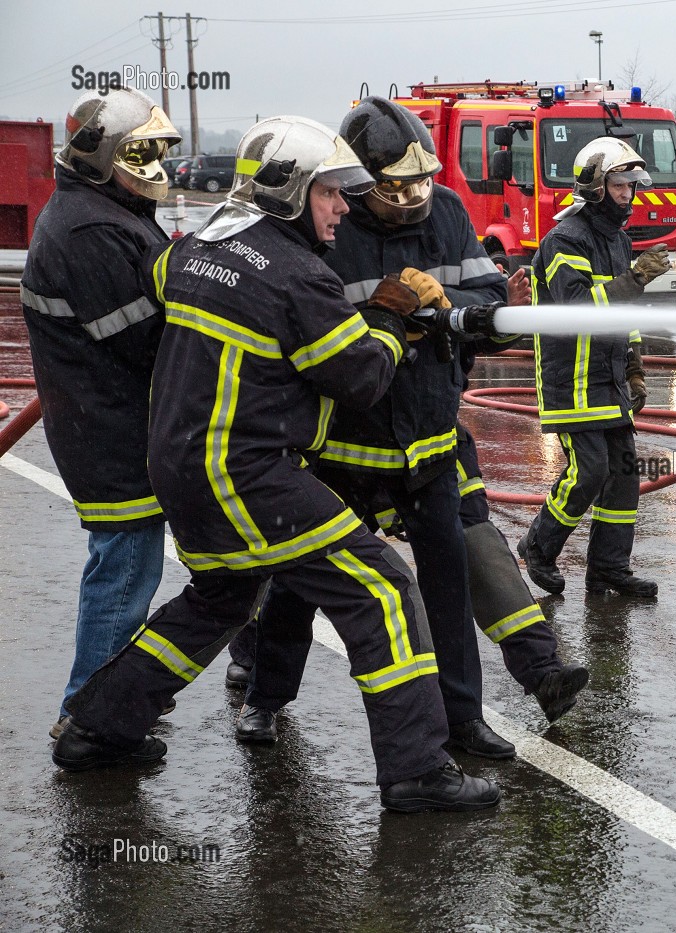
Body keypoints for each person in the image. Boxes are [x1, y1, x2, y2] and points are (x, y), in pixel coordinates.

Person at [52, 115, 498, 813]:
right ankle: (416, 769)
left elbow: (183, 296)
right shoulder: (298, 277)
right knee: (381, 587)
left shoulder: (194, 245)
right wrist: (390, 315)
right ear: (290, 192)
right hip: (245, 475)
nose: (343, 208)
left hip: (179, 466)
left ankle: (96, 726)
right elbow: (360, 378)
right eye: (330, 194)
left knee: (220, 596)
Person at [226, 98, 589, 754]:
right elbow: (315, 333)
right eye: (395, 188)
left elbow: (486, 294)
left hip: (429, 442)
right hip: (344, 447)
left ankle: (463, 720)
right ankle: (264, 697)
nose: (411, 198)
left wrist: (456, 307)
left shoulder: (446, 212)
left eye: (420, 182)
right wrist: (391, 314)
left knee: (448, 588)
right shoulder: (328, 230)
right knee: (301, 583)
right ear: (359, 183)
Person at [21, 88, 181, 739]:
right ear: (99, 156)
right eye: (137, 151)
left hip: (114, 429)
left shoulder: (111, 209)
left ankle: (111, 698)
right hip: (113, 437)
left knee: (135, 567)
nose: (151, 165)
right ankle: (88, 710)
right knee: (124, 573)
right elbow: (152, 340)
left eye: (155, 151)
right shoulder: (90, 230)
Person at [517, 137, 671, 598]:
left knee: (623, 472)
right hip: (572, 380)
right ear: (596, 188)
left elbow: (623, 314)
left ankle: (608, 569)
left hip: (608, 378)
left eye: (632, 185)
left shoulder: (617, 239)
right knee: (588, 472)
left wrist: (636, 367)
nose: (629, 194)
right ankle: (538, 546)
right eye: (621, 185)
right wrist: (637, 276)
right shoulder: (565, 240)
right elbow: (579, 306)